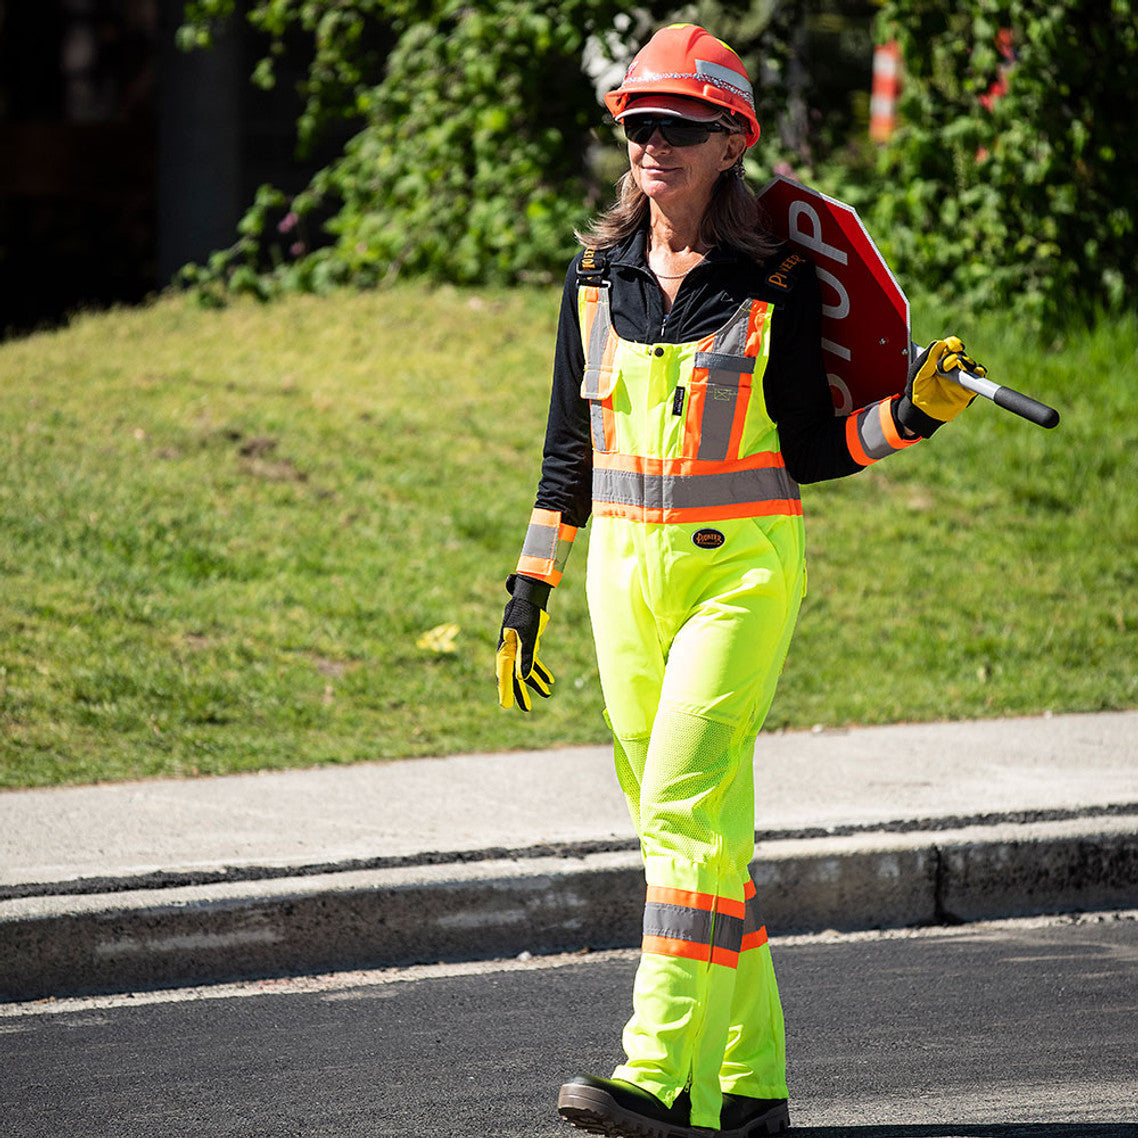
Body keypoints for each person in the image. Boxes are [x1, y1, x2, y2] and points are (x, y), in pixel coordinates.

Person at [495, 23, 984, 1138]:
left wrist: (912, 416)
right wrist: (534, 582)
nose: (652, 142)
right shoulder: (591, 274)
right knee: (698, 837)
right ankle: (753, 1089)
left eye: (677, 126)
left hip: (741, 576)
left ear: (730, 143)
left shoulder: (777, 279)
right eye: (637, 124)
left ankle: (660, 1077)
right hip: (622, 576)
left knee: (679, 813)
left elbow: (811, 445)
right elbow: (565, 449)